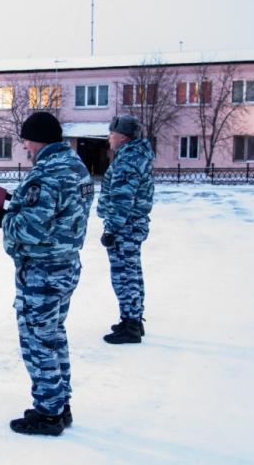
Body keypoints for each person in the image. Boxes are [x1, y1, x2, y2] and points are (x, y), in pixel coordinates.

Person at [0, 112, 94, 436]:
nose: (24, 146)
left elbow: (32, 228)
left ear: (37, 139)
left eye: (26, 139)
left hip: (43, 272)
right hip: (64, 266)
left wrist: (3, 218)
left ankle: (48, 413)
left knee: (38, 341)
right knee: (53, 337)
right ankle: (59, 405)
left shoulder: (47, 174)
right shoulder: (75, 166)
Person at [97, 114, 155, 344]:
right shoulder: (135, 155)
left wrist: (111, 229)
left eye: (112, 133)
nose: (109, 138)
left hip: (125, 227)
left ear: (122, 136)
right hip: (131, 224)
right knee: (133, 273)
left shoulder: (127, 160)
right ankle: (133, 320)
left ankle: (130, 325)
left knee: (124, 276)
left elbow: (122, 198)